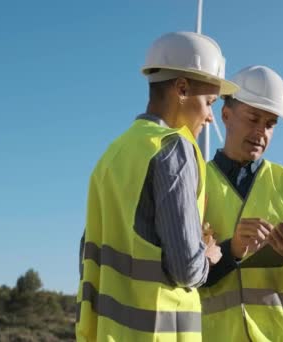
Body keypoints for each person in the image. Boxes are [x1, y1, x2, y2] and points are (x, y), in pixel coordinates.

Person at [76, 31, 238, 342]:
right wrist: (208, 255)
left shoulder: (114, 153)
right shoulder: (174, 148)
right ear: (181, 88)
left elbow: (89, 251)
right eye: (209, 102)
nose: (210, 118)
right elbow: (186, 269)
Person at [199, 65, 283, 341]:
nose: (261, 132)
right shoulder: (195, 181)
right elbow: (184, 271)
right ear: (225, 115)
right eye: (253, 118)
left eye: (271, 124)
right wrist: (231, 250)